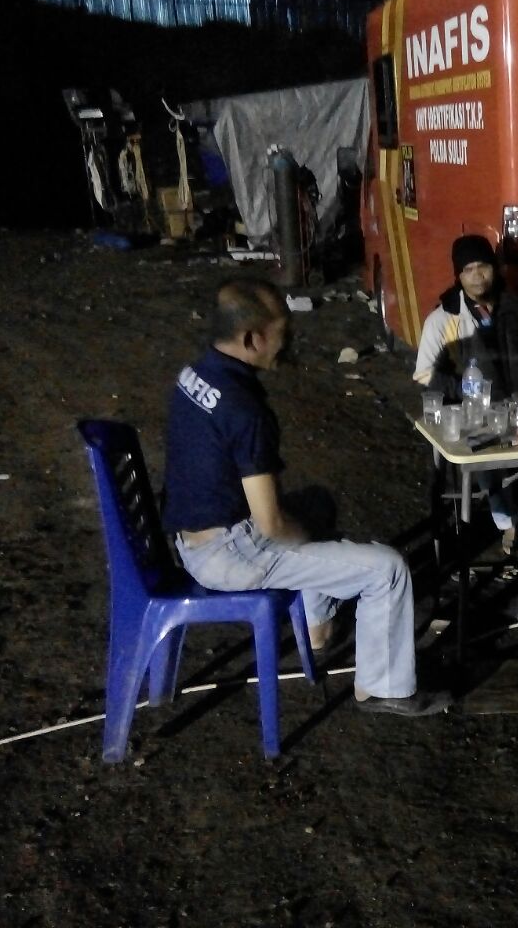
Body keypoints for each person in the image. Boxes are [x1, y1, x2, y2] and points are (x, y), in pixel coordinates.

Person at [162, 277, 451, 718]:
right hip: (229, 554)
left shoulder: (195, 374)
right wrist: (311, 540)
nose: (289, 341)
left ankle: (317, 627)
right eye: (283, 333)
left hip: (191, 537)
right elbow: (271, 524)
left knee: (317, 505)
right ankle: (384, 688)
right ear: (251, 339)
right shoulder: (245, 410)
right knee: (388, 570)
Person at [414, 234, 518, 556]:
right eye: (468, 270)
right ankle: (508, 523)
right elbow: (425, 374)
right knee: (482, 457)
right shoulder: (443, 320)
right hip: (474, 414)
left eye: (483, 266)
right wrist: (468, 392)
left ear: (495, 268)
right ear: (458, 276)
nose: (477, 276)